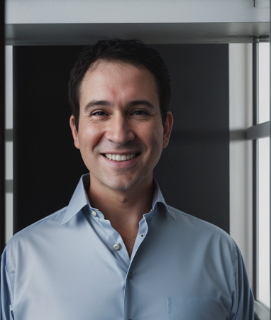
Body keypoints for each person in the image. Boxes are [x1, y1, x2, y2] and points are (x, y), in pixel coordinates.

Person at [1, 39, 254, 320]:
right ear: (75, 131)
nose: (119, 135)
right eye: (100, 113)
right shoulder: (21, 257)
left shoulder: (220, 254)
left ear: (166, 129)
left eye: (139, 112)